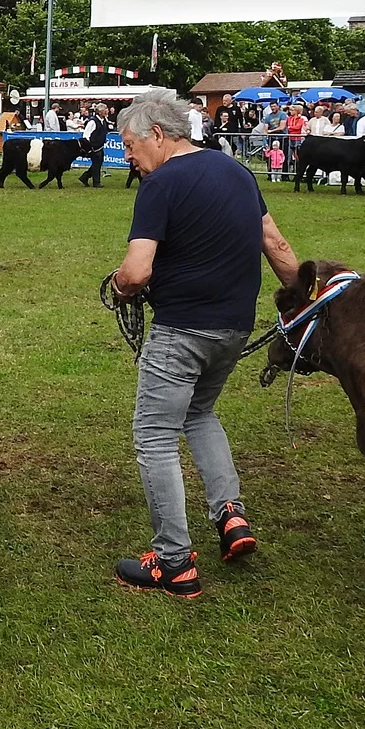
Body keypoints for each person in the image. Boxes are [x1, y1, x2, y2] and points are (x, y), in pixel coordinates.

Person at [108, 88, 299, 597]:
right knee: (200, 414)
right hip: (233, 327)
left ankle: (173, 563)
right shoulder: (237, 171)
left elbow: (137, 271)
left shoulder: (160, 185)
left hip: (182, 330)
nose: (128, 157)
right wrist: (304, 302)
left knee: (155, 436)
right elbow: (277, 245)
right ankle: (231, 516)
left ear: (156, 134)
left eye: (129, 146)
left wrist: (120, 287)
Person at [79, 103, 112, 187]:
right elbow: (86, 135)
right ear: (100, 112)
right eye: (105, 110)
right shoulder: (92, 122)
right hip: (93, 147)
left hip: (100, 146)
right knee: (96, 164)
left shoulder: (104, 120)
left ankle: (84, 177)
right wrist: (89, 146)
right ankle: (96, 182)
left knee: (98, 163)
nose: (107, 111)